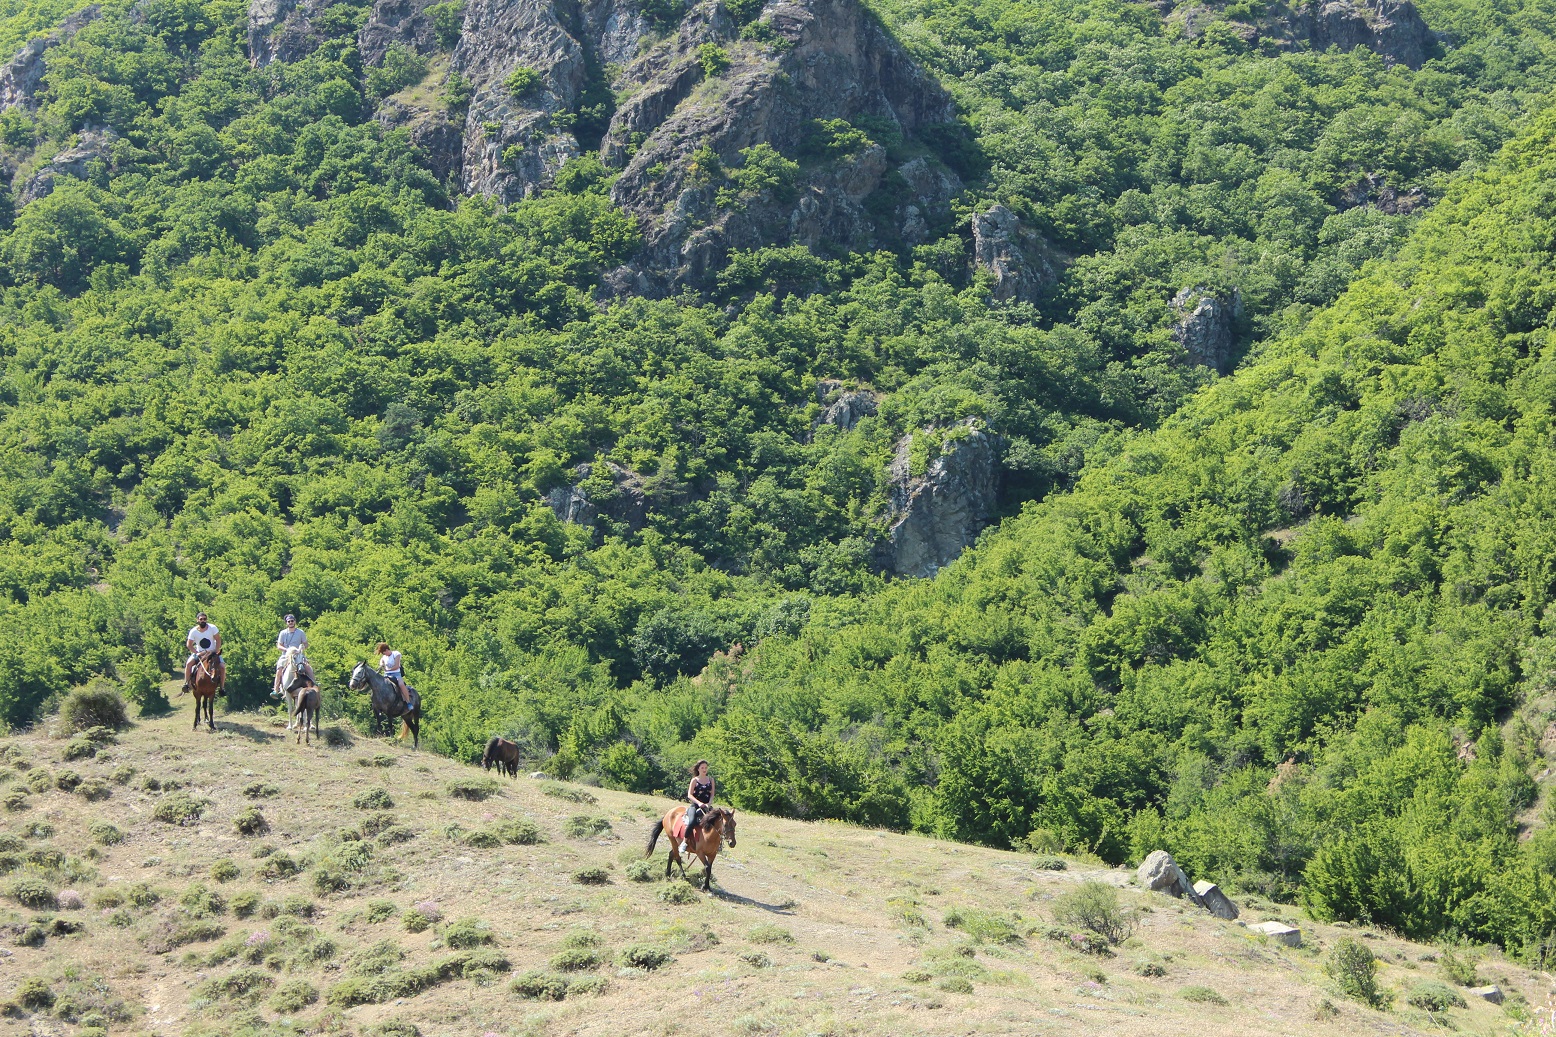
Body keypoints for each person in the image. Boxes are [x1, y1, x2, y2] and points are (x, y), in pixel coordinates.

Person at [273, 614, 315, 697]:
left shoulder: (300, 632)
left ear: (295, 621)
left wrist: (302, 648)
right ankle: (276, 690)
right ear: (286, 623)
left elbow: (306, 644)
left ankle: (314, 684)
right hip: (286, 655)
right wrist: (286, 650)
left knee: (308, 667)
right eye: (289, 621)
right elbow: (279, 645)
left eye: (292, 621)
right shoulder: (283, 633)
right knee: (279, 670)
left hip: (298, 655)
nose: (291, 622)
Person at [183, 612, 225, 695]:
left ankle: (222, 688)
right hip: (200, 653)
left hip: (212, 653)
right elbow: (189, 644)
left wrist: (216, 651)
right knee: (188, 664)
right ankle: (187, 684)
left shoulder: (212, 628)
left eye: (204, 619)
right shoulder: (193, 631)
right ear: (197, 620)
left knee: (222, 667)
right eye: (201, 619)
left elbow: (218, 640)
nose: (203, 621)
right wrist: (196, 653)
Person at [680, 760, 715, 854]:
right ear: (698, 769)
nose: (704, 770)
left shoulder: (711, 780)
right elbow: (689, 795)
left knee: (716, 823)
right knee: (691, 822)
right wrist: (699, 803)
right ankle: (684, 842)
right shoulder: (694, 780)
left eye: (706, 768)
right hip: (695, 806)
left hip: (707, 807)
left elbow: (712, 794)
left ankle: (717, 845)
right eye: (702, 768)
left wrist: (709, 803)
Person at [377, 642, 412, 707]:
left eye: (384, 653)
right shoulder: (384, 657)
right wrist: (381, 664)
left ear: (387, 650)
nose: (384, 654)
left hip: (396, 674)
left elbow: (397, 666)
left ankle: (408, 702)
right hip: (386, 675)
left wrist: (388, 670)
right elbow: (381, 662)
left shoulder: (396, 654)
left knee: (401, 684)